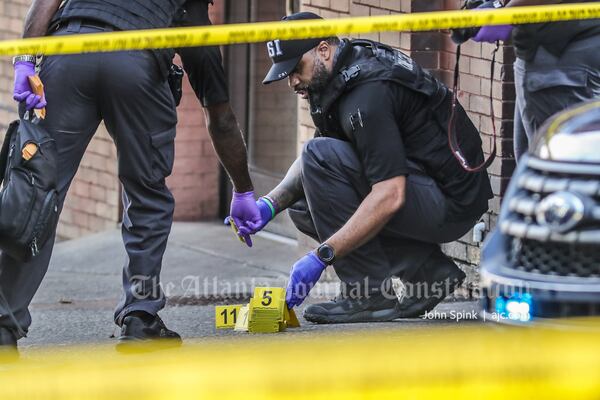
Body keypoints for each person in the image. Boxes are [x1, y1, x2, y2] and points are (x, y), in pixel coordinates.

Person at [0, 0, 260, 351]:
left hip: (68, 55)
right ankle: (140, 316)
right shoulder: (191, 9)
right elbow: (220, 116)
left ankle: (3, 325)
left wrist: (25, 60)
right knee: (147, 195)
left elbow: (45, 2)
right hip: (135, 66)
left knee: (37, 193)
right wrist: (243, 189)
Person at [229, 12, 493, 324]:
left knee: (319, 157)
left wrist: (322, 255)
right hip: (422, 185)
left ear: (324, 50)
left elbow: (390, 194)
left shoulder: (367, 94)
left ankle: (368, 296)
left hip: (449, 202)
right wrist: (268, 206)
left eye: (296, 69)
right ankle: (426, 272)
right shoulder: (337, 79)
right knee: (303, 204)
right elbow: (317, 168)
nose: (292, 82)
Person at [473, 0, 600, 161]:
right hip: (560, 52)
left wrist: (504, 12)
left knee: (556, 165)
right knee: (533, 160)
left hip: (558, 56)